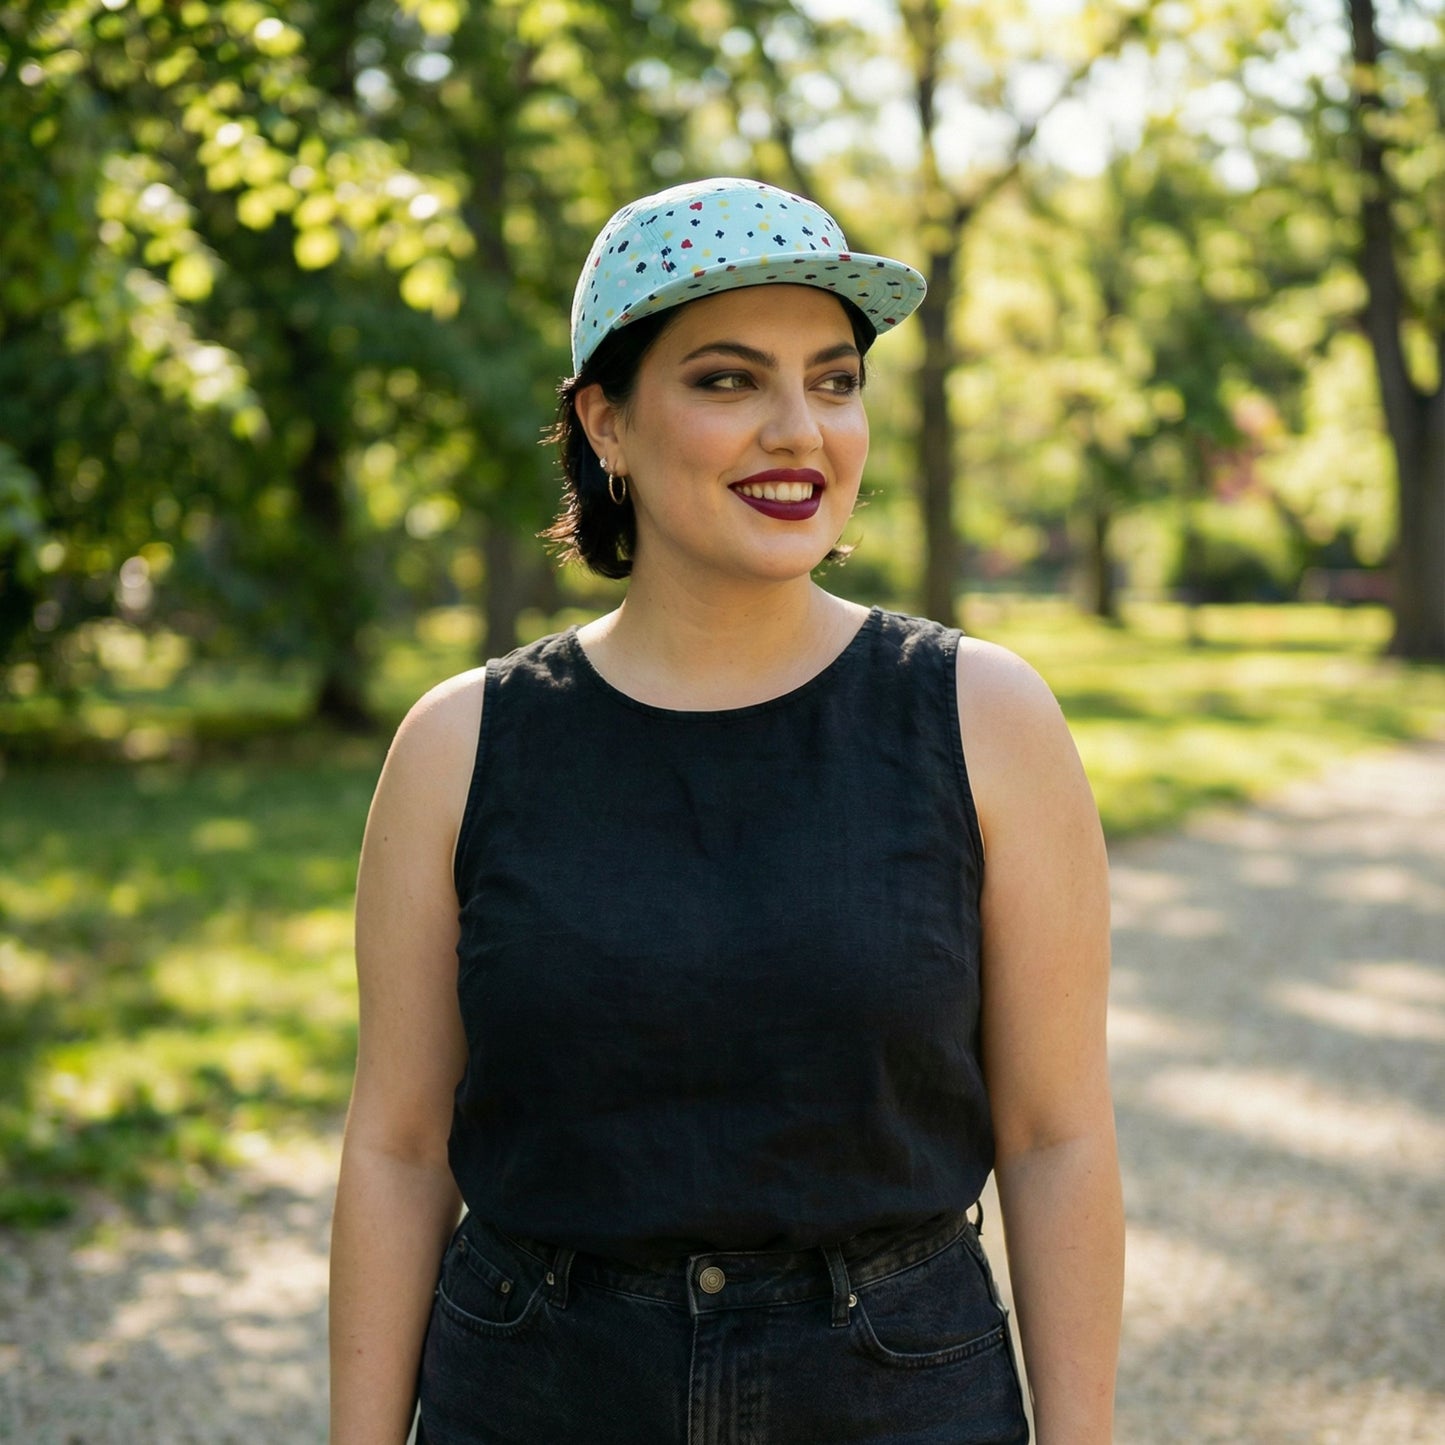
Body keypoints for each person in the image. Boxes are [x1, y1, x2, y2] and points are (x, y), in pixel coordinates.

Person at [329, 176, 1123, 1445]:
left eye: (832, 378)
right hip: (533, 1392)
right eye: (724, 379)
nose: (798, 429)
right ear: (606, 422)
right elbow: (400, 1145)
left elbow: (1054, 1133)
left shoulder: (985, 719)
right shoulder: (459, 745)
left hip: (893, 1394)